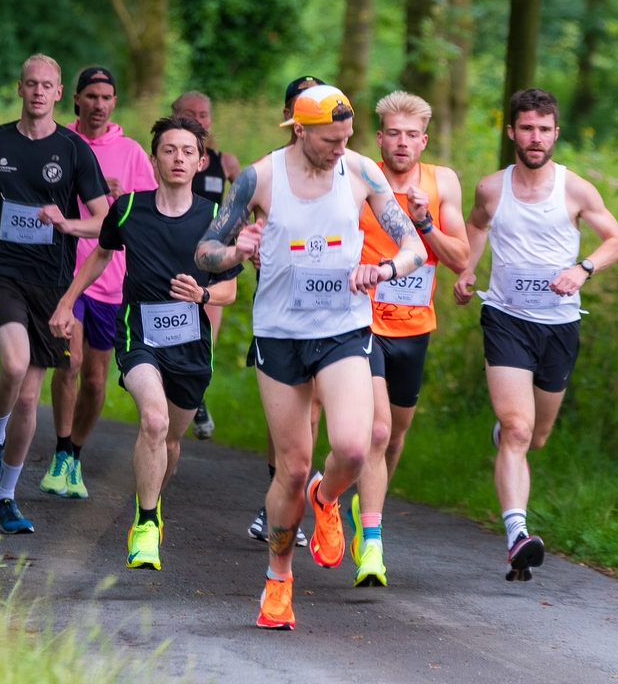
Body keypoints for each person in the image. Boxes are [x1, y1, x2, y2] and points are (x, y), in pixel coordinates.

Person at [196, 85, 427, 631]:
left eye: (347, 138)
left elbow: (414, 247)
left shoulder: (362, 172)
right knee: (293, 467)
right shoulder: (259, 178)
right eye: (330, 141)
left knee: (354, 445)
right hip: (280, 335)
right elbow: (205, 251)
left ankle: (328, 498)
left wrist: (383, 269)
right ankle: (278, 580)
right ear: (299, 130)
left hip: (343, 328)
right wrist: (236, 251)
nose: (340, 149)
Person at [51, 115, 240, 570]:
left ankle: (149, 504)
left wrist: (203, 295)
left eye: (188, 151)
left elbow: (230, 288)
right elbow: (101, 255)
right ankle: (147, 523)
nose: (178, 158)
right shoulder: (129, 209)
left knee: (171, 440)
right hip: (139, 336)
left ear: (200, 162)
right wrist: (67, 302)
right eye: (169, 150)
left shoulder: (217, 218)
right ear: (154, 160)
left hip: (191, 346)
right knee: (153, 420)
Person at [454, 88, 618, 581]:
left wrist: (583, 268)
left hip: (559, 326)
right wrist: (467, 268)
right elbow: (476, 225)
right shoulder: (492, 188)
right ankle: (517, 535)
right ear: (511, 131)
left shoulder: (577, 190)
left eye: (544, 130)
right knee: (518, 429)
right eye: (527, 128)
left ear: (556, 134)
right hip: (505, 318)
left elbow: (616, 241)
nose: (536, 138)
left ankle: (508, 437)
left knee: (538, 436)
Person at [0, 54, 108, 534]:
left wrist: (68, 224)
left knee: (28, 399)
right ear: (19, 88)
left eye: (47, 86)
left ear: (59, 93)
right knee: (15, 364)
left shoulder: (74, 150)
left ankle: (6, 497)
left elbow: (105, 221)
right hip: (2, 273)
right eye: (31, 84)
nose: (39, 92)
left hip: (52, 284)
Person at [341, 92, 469, 588]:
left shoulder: (442, 182)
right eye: (393, 133)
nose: (401, 142)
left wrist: (424, 221)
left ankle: (365, 505)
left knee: (394, 436)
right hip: (364, 322)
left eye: (411, 135)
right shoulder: (359, 177)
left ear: (424, 141)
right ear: (379, 138)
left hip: (414, 328)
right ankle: (372, 543)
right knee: (376, 431)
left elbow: (459, 258)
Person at [41, 66, 157, 500]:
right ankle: (59, 452)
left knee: (94, 380)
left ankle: (74, 455)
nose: (99, 104)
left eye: (107, 97)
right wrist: (85, 192)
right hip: (65, 273)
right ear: (75, 99)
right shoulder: (58, 142)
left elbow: (150, 211)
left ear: (114, 102)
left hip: (112, 280)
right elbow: (41, 200)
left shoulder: (131, 153)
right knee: (69, 363)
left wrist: (121, 199)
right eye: (91, 96)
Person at [246, 75, 326, 546]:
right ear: (290, 117)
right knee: (290, 409)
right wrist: (251, 248)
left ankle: (289, 495)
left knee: (313, 406)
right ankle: (278, 494)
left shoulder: (342, 166)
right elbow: (246, 227)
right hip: (279, 306)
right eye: (301, 107)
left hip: (328, 308)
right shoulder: (268, 170)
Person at [170, 90, 242, 441]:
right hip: (173, 257)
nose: (198, 120)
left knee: (205, 341)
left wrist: (244, 233)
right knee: (172, 335)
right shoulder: (166, 158)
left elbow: (245, 203)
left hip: (212, 262)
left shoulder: (224, 162)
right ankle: (171, 397)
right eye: (190, 113)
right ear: (176, 116)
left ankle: (196, 397)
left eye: (203, 114)